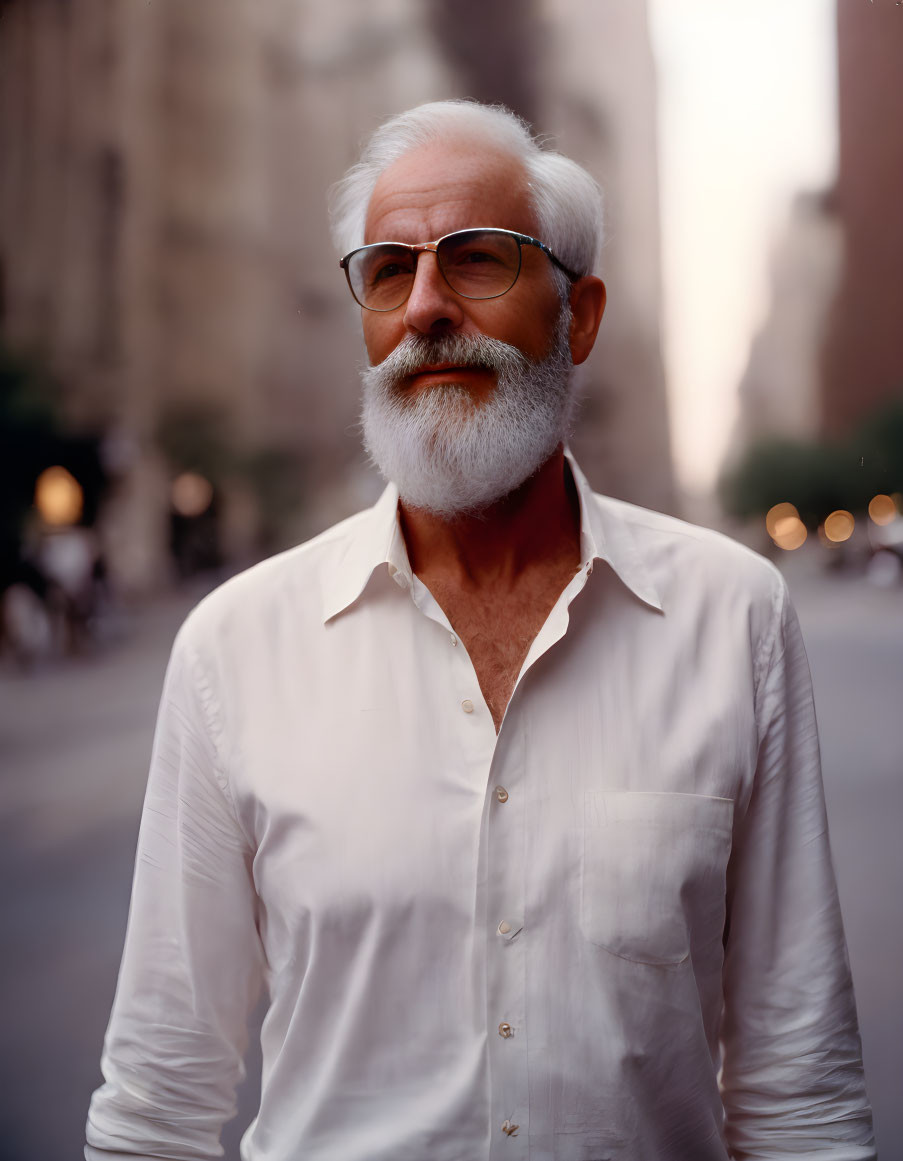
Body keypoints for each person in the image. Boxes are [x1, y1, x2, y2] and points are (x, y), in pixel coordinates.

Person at [86, 100, 875, 1161]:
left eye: (476, 260)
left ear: (579, 315)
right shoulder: (235, 647)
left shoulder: (733, 617)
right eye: (386, 271)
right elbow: (159, 1097)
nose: (423, 310)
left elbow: (797, 1086)